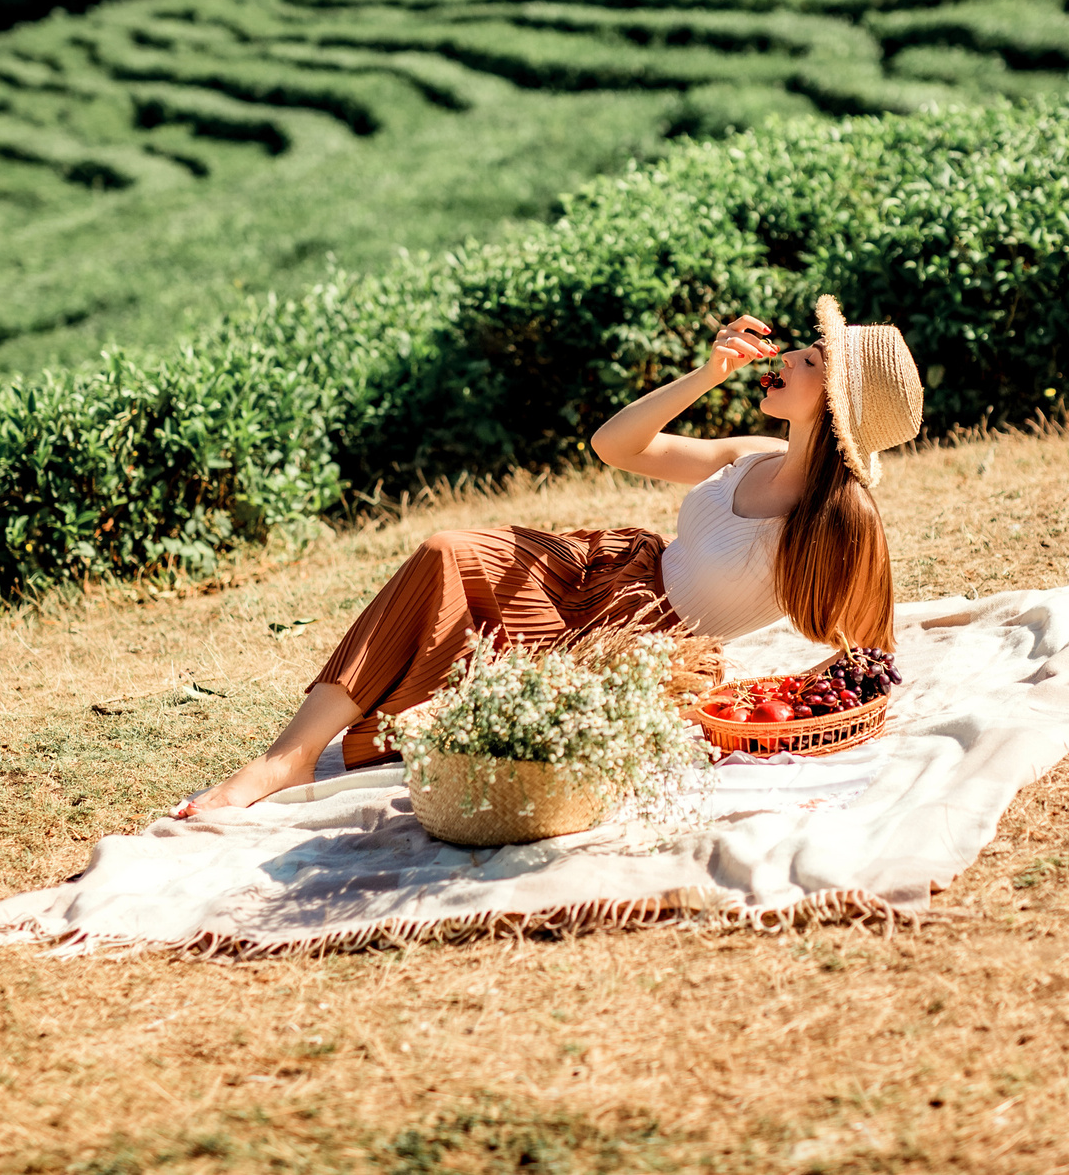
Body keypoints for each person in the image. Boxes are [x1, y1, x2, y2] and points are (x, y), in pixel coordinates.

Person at [173, 295, 924, 814]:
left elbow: (866, 640)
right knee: (445, 552)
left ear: (835, 411)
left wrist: (806, 707)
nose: (791, 354)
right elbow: (616, 446)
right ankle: (288, 756)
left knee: (463, 692)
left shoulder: (839, 518)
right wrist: (706, 376)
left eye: (815, 360)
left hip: (639, 643)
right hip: (607, 568)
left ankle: (367, 730)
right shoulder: (755, 452)